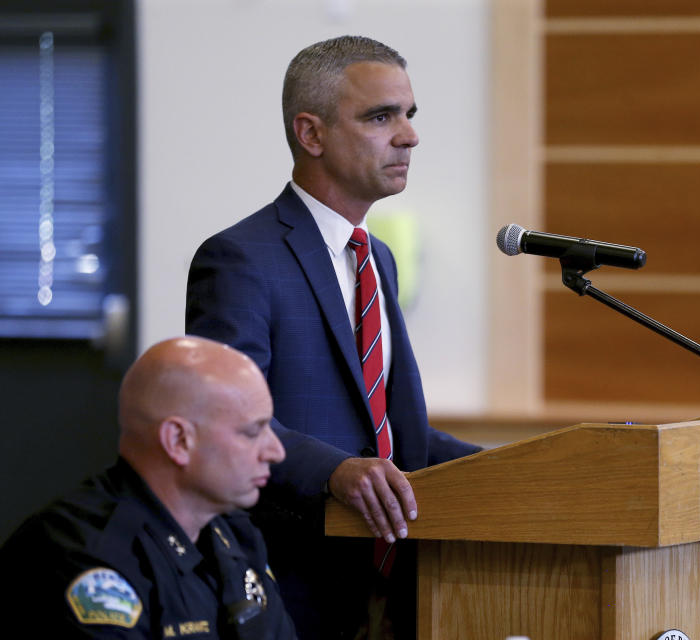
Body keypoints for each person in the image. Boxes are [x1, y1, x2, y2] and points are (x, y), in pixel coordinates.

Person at [185, 35, 481, 638]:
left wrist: (516, 468)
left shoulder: (379, 260)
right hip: (292, 584)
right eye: (381, 116)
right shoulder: (240, 259)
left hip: (394, 589)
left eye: (409, 114)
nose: (409, 135)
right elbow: (224, 422)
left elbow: (388, 429)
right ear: (311, 134)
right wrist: (336, 471)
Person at [0, 336, 297, 639]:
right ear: (178, 441)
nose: (276, 452)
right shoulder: (87, 556)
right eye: (252, 432)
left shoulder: (237, 535)